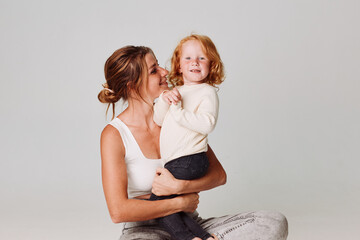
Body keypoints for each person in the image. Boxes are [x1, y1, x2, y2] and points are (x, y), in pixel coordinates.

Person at [98, 45, 288, 240]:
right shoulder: (114, 134)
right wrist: (179, 203)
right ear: (132, 85)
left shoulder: (177, 114)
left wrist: (180, 189)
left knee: (273, 221)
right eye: (154, 70)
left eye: (159, 66)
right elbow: (118, 211)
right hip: (144, 231)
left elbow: (218, 175)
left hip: (191, 225)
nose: (165, 72)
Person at [149, 34, 224, 240]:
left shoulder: (207, 92)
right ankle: (204, 237)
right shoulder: (176, 92)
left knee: (158, 201)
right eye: (188, 58)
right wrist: (164, 99)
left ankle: (186, 238)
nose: (195, 63)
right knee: (175, 207)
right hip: (177, 160)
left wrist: (179, 111)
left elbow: (207, 124)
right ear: (179, 66)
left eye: (202, 58)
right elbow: (159, 119)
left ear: (212, 65)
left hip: (190, 158)